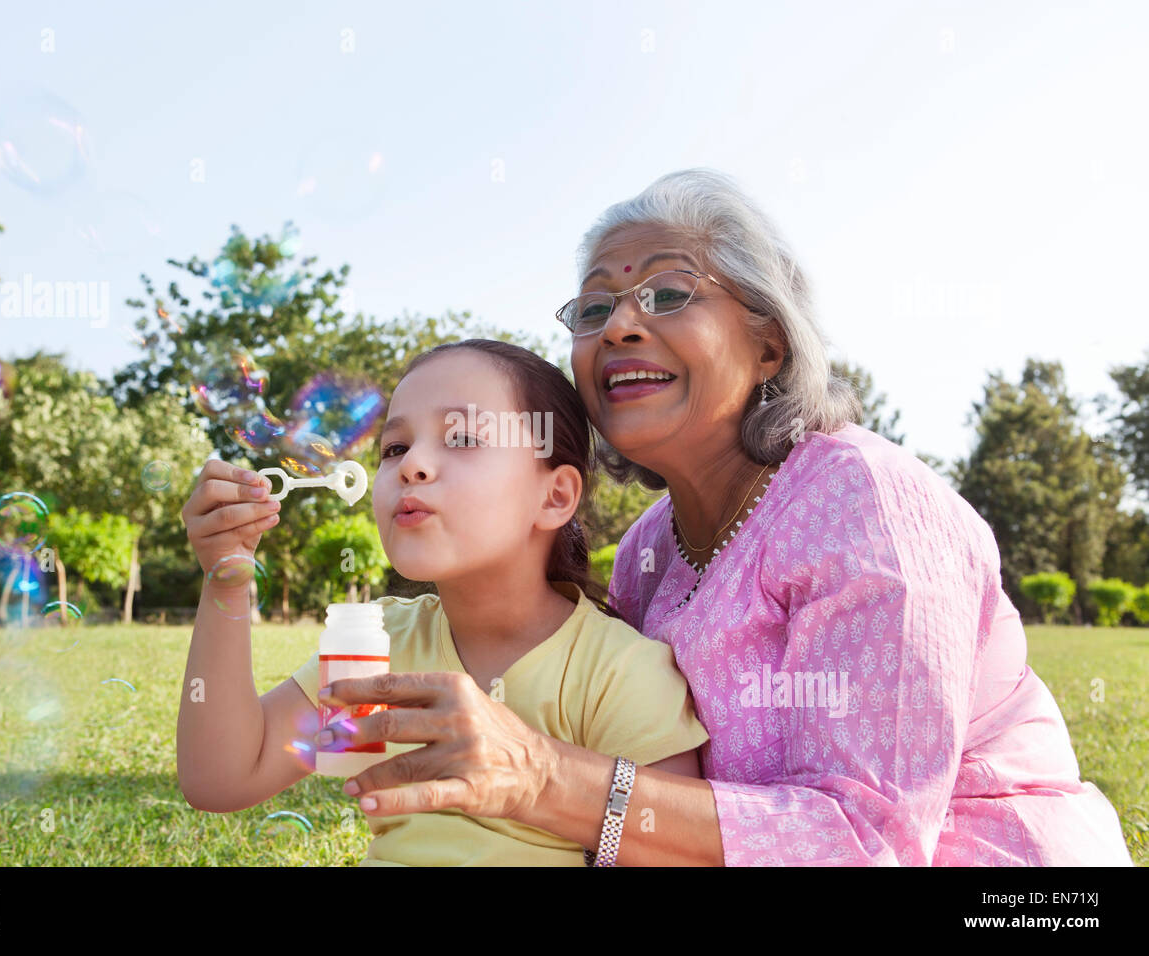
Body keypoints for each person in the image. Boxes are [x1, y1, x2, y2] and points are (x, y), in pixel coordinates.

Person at [316, 168, 1134, 866]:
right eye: (594, 310)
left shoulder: (868, 503)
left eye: (669, 293)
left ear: (770, 346)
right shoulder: (644, 551)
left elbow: (865, 843)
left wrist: (538, 777)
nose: (623, 325)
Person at [175, 338, 709, 865]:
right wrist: (225, 582)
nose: (413, 465)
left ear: (555, 496)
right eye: (395, 448)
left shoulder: (617, 671)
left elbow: (678, 849)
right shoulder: (376, 641)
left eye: (464, 438)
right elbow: (222, 777)